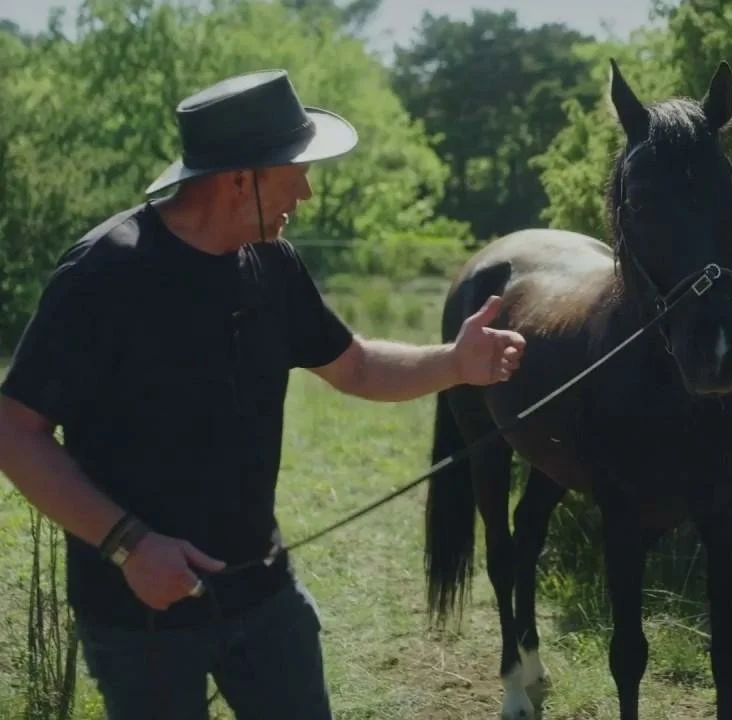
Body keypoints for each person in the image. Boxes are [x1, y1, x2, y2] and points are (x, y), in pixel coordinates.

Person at [0, 69, 525, 719]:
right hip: (140, 617)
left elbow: (355, 365)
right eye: (294, 170)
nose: (305, 190)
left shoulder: (272, 264)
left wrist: (454, 362)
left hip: (264, 596)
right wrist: (130, 544)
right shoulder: (104, 274)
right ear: (239, 178)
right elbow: (14, 431)